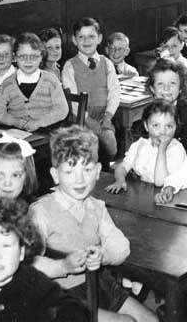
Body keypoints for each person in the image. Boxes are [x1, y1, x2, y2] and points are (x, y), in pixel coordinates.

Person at [30, 125, 158, 322]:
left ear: (98, 171)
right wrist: (62, 266)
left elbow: (120, 246)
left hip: (99, 283)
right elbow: (27, 263)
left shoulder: (96, 207)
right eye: (70, 171)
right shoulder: (42, 211)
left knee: (150, 320)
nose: (79, 179)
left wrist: (104, 255)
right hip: (62, 296)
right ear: (55, 175)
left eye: (87, 169)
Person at [62, 17, 120, 164]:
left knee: (111, 144)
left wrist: (108, 117)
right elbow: (73, 101)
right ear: (74, 40)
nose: (86, 41)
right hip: (80, 119)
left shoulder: (107, 63)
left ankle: (107, 169)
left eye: (91, 36)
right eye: (81, 37)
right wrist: (88, 120)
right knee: (90, 149)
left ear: (99, 38)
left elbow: (114, 93)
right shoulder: (70, 66)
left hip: (103, 118)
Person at [0, 32, 68, 132]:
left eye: (33, 56)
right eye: (23, 56)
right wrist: (15, 122)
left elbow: (62, 110)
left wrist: (39, 123)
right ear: (15, 57)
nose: (28, 61)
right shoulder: (8, 83)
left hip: (47, 133)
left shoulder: (51, 80)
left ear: (41, 57)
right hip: (18, 133)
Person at [105, 99, 185, 192]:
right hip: (144, 193)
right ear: (146, 126)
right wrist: (120, 180)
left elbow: (161, 183)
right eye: (155, 125)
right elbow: (123, 166)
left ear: (176, 127)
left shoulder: (176, 150)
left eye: (169, 126)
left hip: (166, 196)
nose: (162, 131)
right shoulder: (141, 144)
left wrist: (162, 149)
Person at [146, 58, 187, 151]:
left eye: (172, 83)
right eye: (160, 84)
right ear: (152, 88)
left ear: (180, 88)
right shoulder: (148, 114)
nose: (166, 88)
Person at [158, 26, 187, 103]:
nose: (170, 50)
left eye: (174, 46)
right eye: (166, 46)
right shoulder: (158, 66)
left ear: (182, 45)